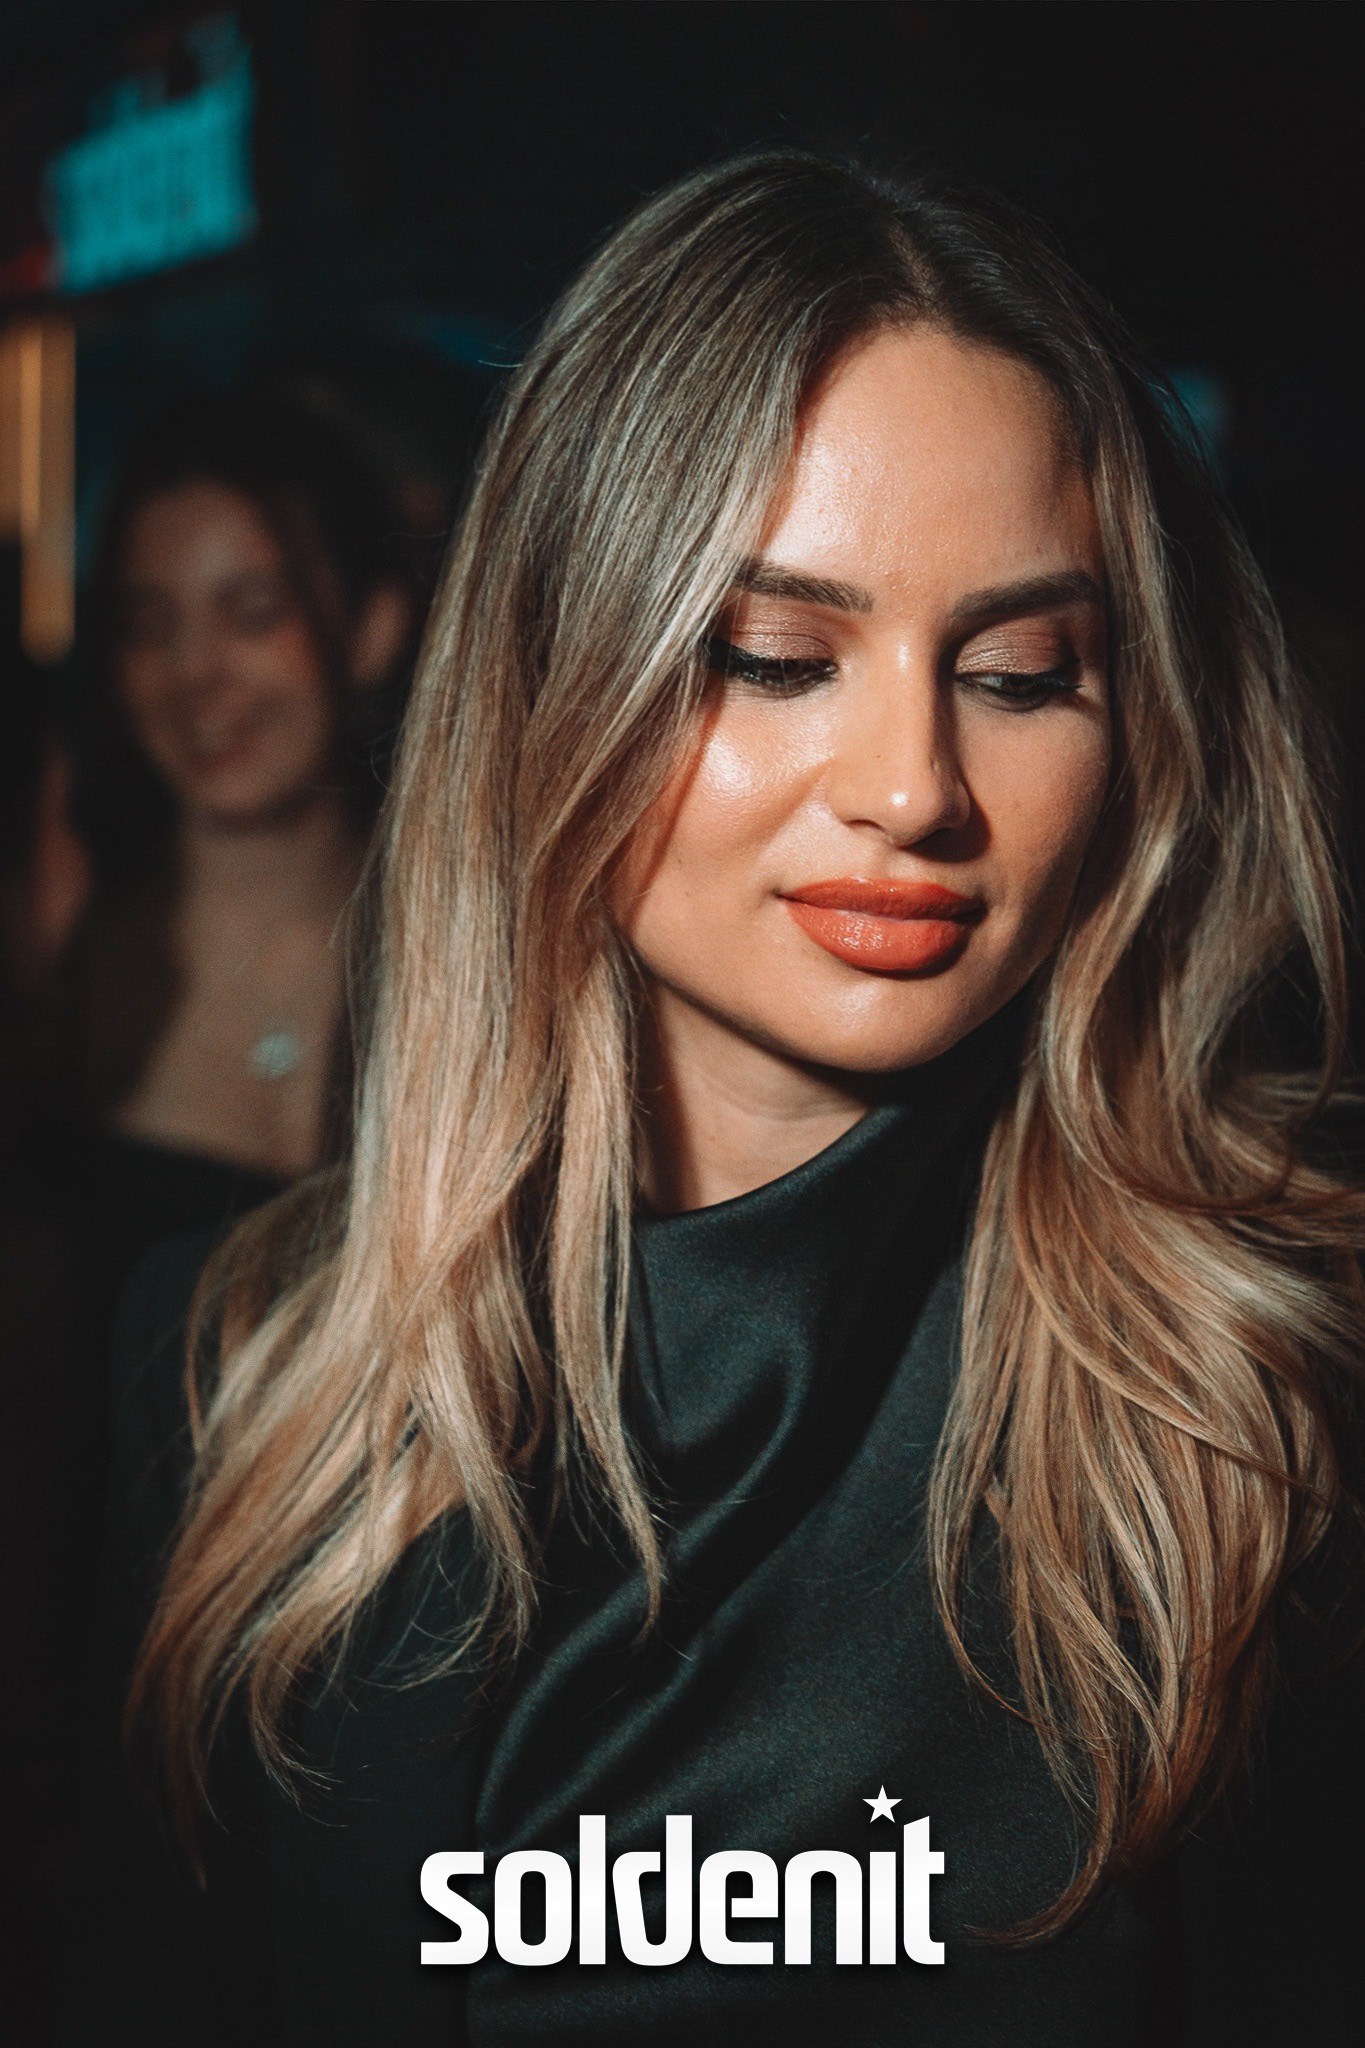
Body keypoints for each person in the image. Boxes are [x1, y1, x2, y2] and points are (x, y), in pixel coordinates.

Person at [65, 156, 1365, 2047]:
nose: (911, 783)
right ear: (552, 674)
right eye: (775, 657)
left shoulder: (1272, 1386)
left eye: (1020, 672)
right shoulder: (234, 1366)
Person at [63, 392, 412, 1280]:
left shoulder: (458, 957)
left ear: (371, 630)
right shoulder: (62, 971)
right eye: (149, 627)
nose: (195, 672)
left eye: (252, 612)